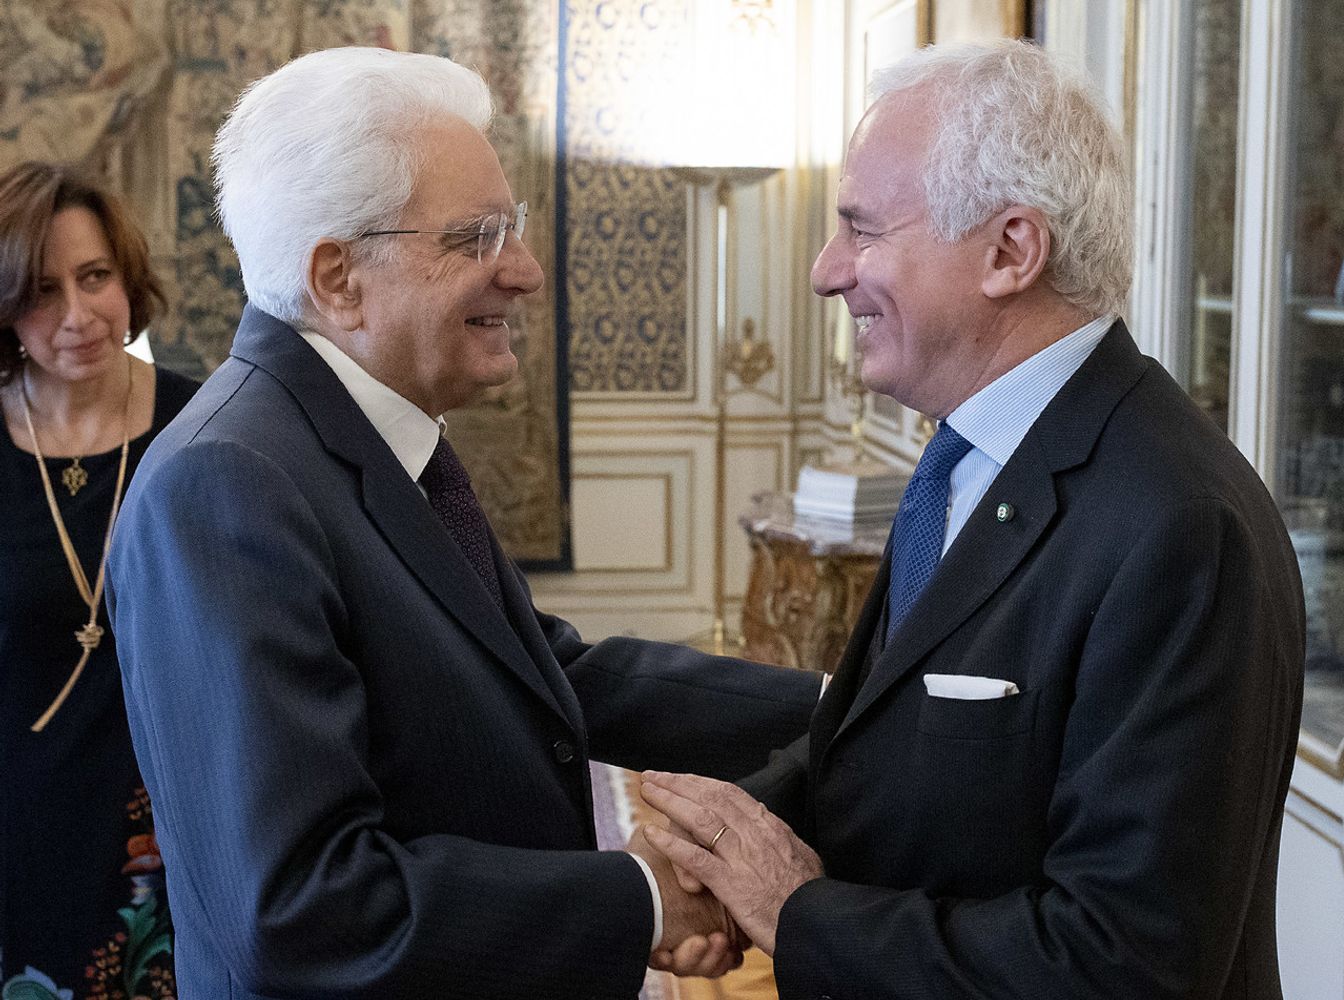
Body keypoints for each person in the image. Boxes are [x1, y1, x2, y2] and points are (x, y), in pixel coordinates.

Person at [104, 47, 822, 1000]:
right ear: (339, 277)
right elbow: (304, 907)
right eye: (475, 237)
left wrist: (838, 702)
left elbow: (543, 676)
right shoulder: (229, 485)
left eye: (512, 229)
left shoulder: (370, 437)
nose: (523, 271)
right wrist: (644, 898)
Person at [642, 40, 1306, 1000]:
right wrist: (721, 855)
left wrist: (801, 917)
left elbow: (1125, 965)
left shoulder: (1178, 528)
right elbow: (883, 741)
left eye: (862, 231)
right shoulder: (968, 457)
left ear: (1010, 252)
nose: (828, 272)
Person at [0, 162, 199, 997]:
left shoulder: (207, 425)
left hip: (163, 812)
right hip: (16, 810)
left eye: (95, 278)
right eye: (43, 292)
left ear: (128, 277)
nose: (77, 318)